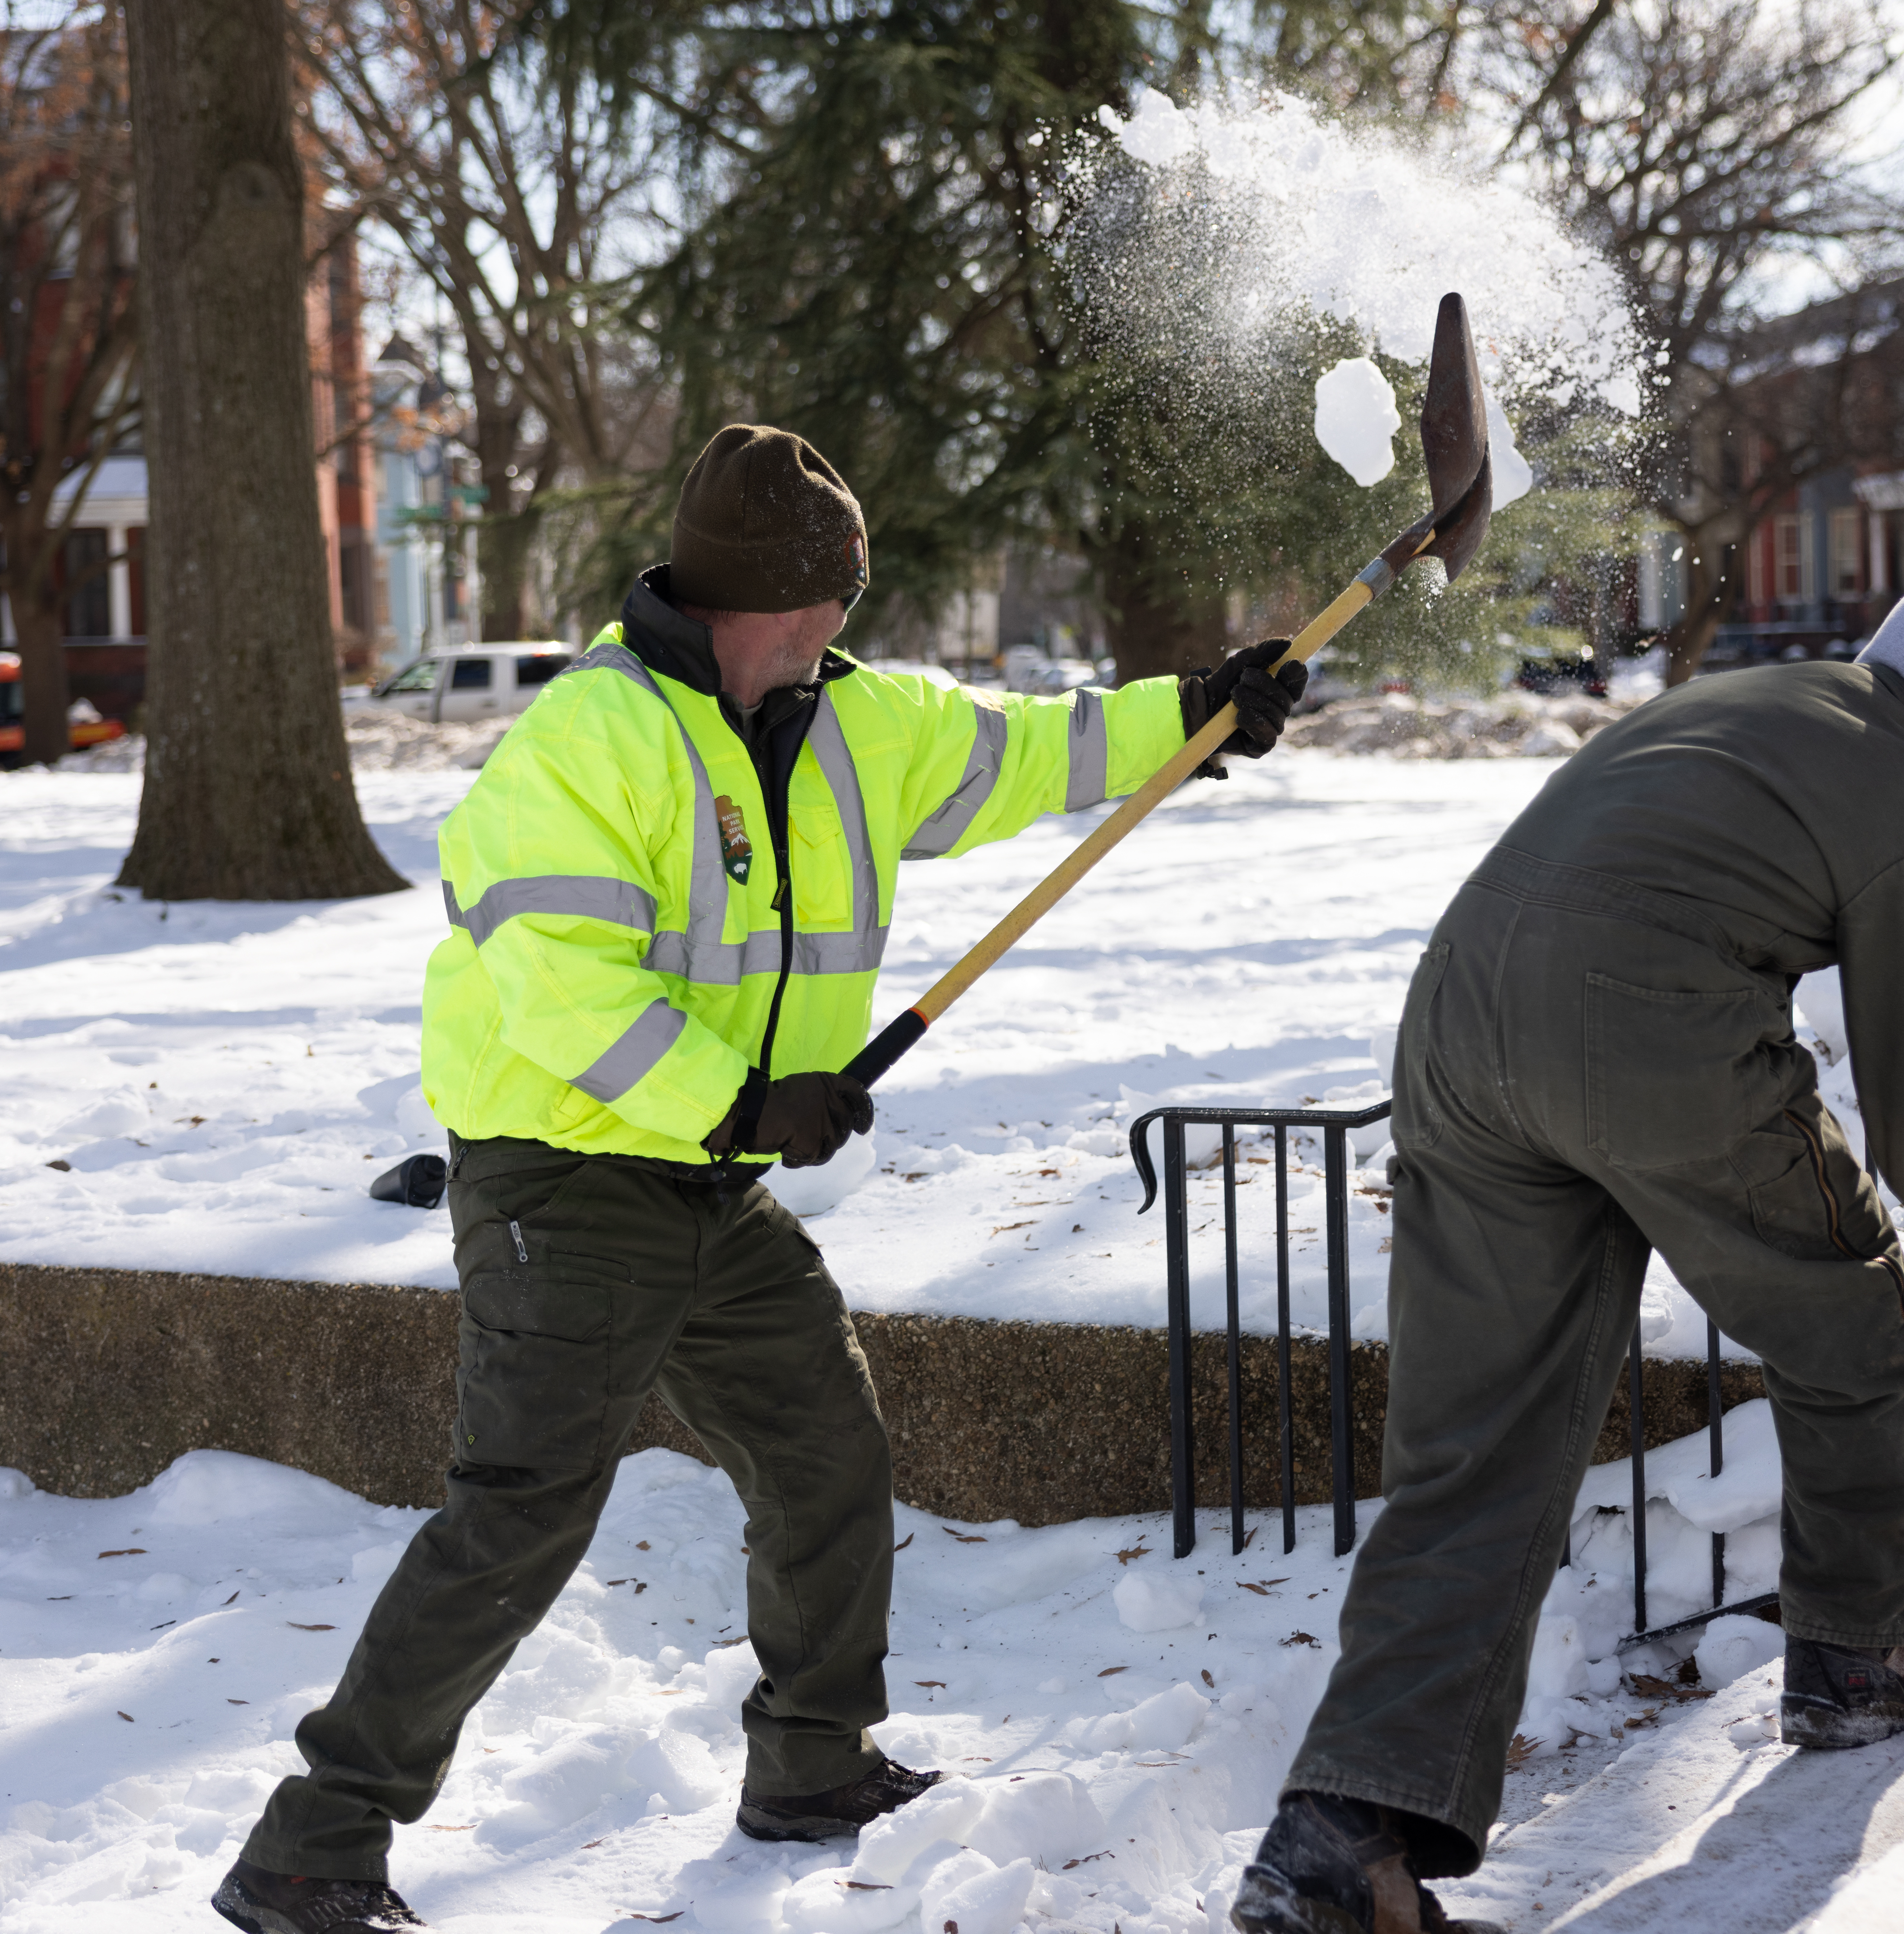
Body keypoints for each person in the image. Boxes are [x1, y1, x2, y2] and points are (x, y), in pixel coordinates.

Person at [215, 424, 1307, 1934]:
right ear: (791, 592)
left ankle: (809, 1760)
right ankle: (314, 1848)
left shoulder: (853, 720)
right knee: (519, 1512)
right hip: (568, 1181)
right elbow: (559, 987)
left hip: (709, 1182)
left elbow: (1024, 748)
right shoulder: (590, 744)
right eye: (837, 595)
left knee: (823, 1449)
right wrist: (735, 1101)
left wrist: (1195, 713)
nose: (846, 623)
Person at [1230, 551, 1904, 1934]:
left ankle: (1336, 1842)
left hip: (1460, 1032)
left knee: (1479, 1450)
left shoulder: (1754, 697)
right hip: (1647, 1031)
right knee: (1857, 1328)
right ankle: (1857, 1656)